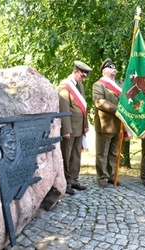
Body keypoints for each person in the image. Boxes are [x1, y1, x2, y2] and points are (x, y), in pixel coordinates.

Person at [57, 60, 92, 195]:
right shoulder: (64, 87)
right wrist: (65, 129)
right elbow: (64, 109)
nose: (83, 79)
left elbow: (83, 108)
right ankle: (64, 182)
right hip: (70, 127)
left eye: (85, 76)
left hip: (79, 127)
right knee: (66, 154)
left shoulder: (80, 86)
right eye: (82, 75)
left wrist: (86, 125)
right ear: (75, 71)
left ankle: (74, 179)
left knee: (76, 154)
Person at [92, 58, 123, 187]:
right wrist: (118, 110)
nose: (113, 69)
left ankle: (111, 175)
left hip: (118, 124)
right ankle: (102, 177)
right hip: (105, 124)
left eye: (114, 67)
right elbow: (99, 101)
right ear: (104, 71)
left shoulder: (120, 85)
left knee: (114, 152)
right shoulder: (98, 85)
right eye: (110, 67)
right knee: (102, 152)